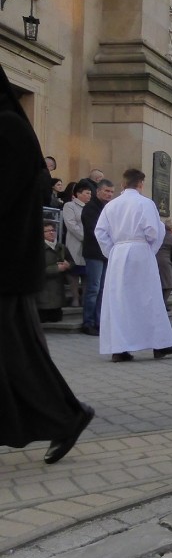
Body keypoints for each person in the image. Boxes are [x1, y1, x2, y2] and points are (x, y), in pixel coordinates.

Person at [0, 63, 94, 464]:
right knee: (15, 353)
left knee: (17, 354)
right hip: (8, 266)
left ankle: (66, 416)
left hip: (6, 267)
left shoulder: (8, 128)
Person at [95, 169, 172, 362]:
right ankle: (160, 344)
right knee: (149, 297)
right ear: (141, 183)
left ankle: (119, 348)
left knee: (119, 301)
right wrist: (148, 249)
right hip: (140, 252)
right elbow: (153, 231)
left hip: (118, 253)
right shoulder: (145, 203)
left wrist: (113, 252)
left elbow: (100, 232)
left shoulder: (111, 205)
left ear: (123, 184)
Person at [80, 179, 115, 336]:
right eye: (106, 191)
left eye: (111, 192)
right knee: (93, 288)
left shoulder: (109, 208)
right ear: (98, 191)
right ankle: (88, 322)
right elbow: (95, 230)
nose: (109, 194)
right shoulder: (90, 208)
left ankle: (99, 321)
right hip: (94, 253)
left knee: (102, 289)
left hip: (106, 253)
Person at [36, 222, 74, 322]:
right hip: (42, 298)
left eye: (53, 230)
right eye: (47, 231)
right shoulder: (37, 249)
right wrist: (56, 269)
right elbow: (35, 270)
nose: (51, 233)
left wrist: (68, 265)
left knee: (56, 318)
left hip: (58, 297)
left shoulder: (61, 247)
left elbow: (72, 263)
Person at [62, 182, 91, 307]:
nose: (89, 196)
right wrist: (84, 237)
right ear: (78, 194)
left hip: (89, 244)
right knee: (74, 271)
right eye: (86, 193)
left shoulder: (90, 207)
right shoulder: (70, 206)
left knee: (86, 272)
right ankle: (75, 298)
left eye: (90, 193)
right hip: (76, 241)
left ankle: (84, 298)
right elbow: (71, 224)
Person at [157, 219, 172, 308]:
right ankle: (162, 304)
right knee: (170, 283)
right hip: (165, 262)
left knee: (159, 283)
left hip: (155, 260)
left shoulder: (159, 235)